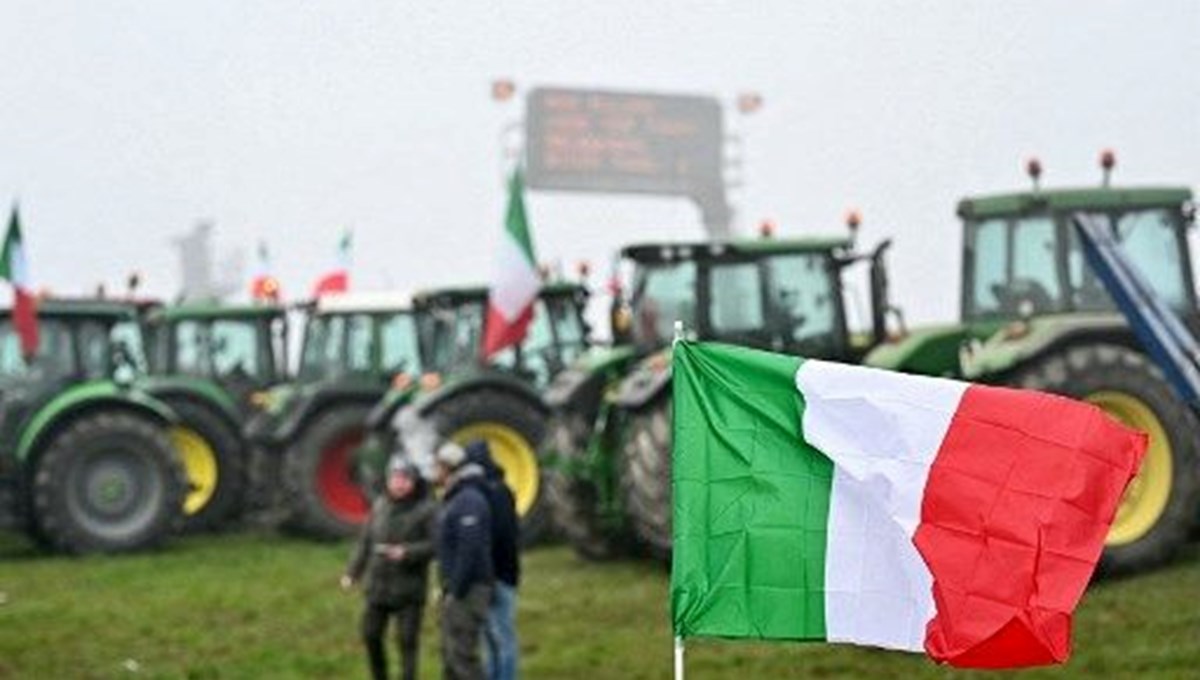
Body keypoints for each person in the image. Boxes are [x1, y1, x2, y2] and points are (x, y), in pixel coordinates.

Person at [341, 456, 437, 680]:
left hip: (409, 591)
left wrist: (407, 553)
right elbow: (365, 542)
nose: (399, 483)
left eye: (405, 479)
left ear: (414, 482)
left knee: (407, 642)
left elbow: (436, 545)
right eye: (395, 478)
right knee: (370, 636)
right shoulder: (380, 505)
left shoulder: (427, 510)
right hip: (378, 588)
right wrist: (352, 572)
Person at [435, 441, 494, 680]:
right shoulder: (456, 498)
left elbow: (469, 550)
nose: (434, 471)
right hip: (458, 589)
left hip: (468, 590)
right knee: (450, 658)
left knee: (463, 658)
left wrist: (455, 591)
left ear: (449, 468)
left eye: (438, 466)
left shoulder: (468, 500)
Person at [464, 439, 520, 680]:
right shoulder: (502, 489)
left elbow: (496, 536)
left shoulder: (485, 494)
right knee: (494, 636)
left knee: (499, 637)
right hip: (503, 573)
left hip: (494, 575)